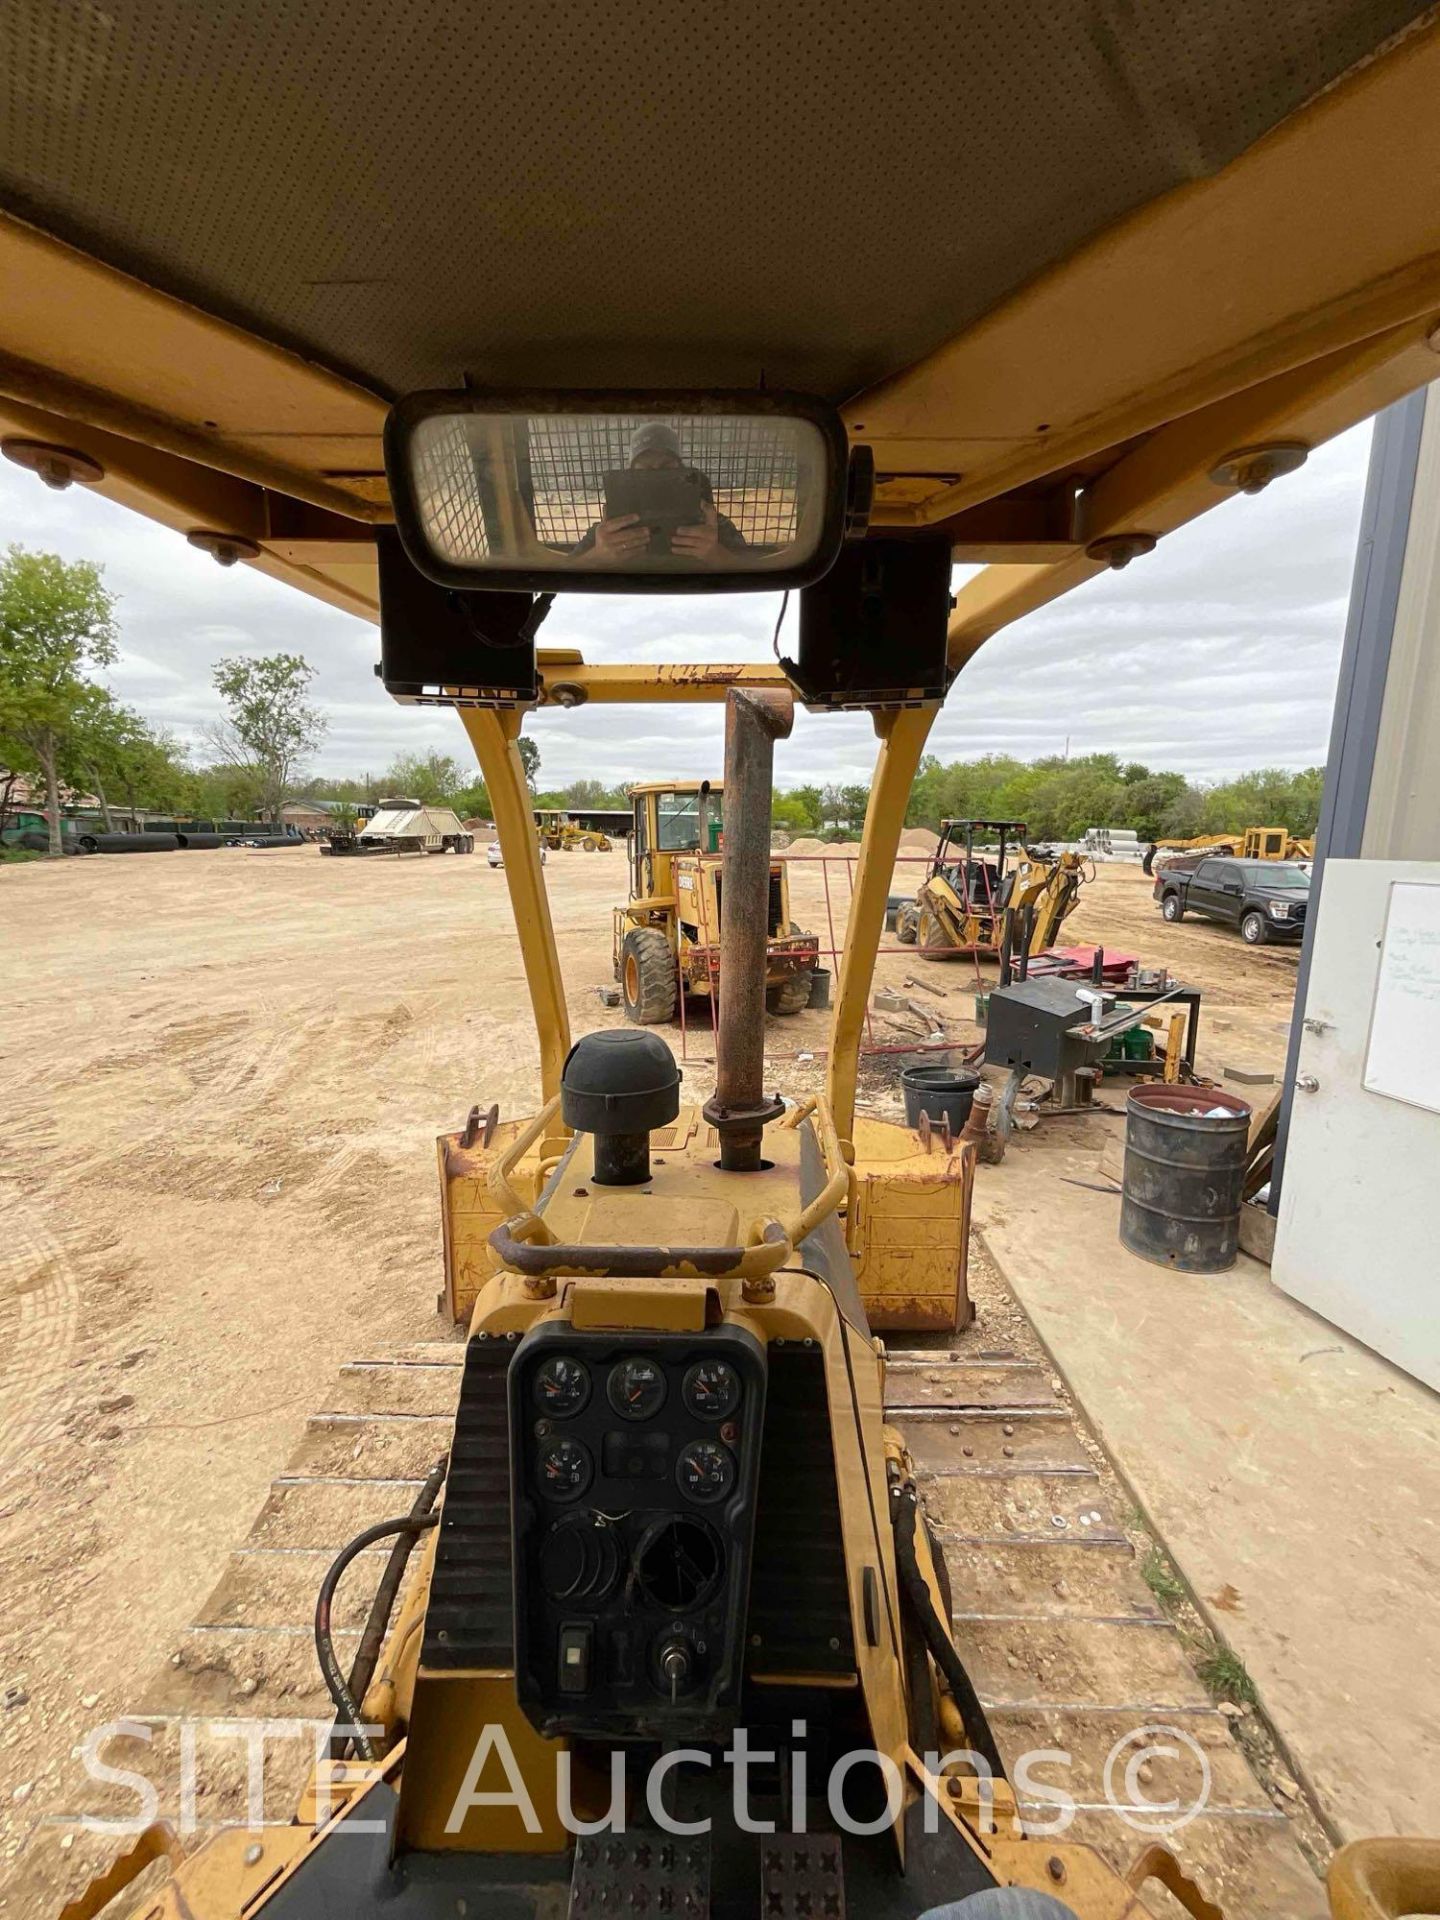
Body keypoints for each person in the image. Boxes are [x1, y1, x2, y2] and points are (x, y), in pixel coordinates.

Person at [576, 422, 747, 563]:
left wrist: (715, 553)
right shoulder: (608, 533)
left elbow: (752, 573)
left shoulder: (713, 527)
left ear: (682, 471)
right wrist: (598, 555)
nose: (656, 477)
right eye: (644, 470)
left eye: (667, 468)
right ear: (630, 477)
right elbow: (561, 575)